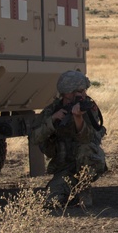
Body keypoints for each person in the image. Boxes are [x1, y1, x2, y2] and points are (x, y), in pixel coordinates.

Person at [29, 70, 107, 207]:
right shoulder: (52, 110)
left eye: (84, 91)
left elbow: (90, 139)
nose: (84, 95)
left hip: (85, 162)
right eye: (80, 91)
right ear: (68, 93)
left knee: (86, 148)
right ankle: (71, 190)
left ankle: (84, 188)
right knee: (52, 201)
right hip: (64, 166)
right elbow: (34, 138)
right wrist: (52, 121)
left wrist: (78, 119)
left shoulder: (88, 108)